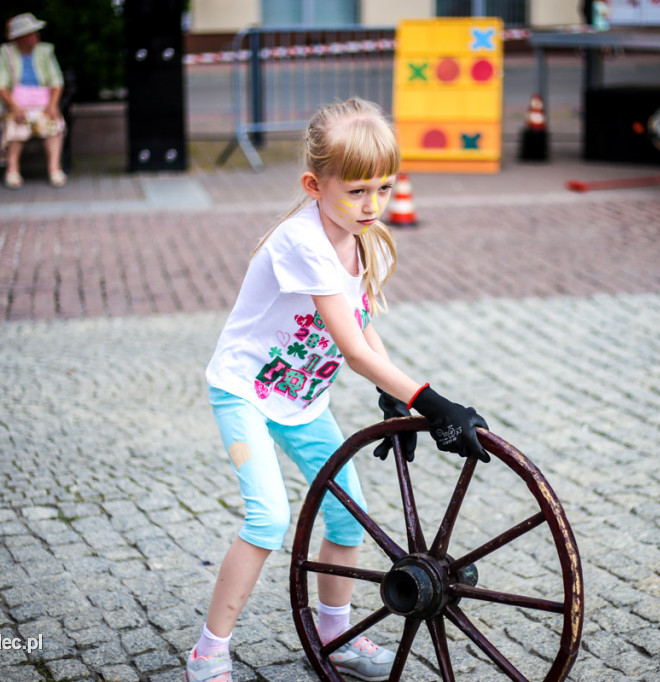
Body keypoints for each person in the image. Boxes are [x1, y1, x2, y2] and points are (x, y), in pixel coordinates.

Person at [189, 97, 490, 682]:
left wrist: (397, 395)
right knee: (267, 519)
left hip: (302, 401)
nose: (372, 204)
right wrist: (432, 403)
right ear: (313, 184)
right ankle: (208, 650)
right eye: (356, 191)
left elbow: (362, 326)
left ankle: (335, 635)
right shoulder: (302, 241)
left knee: (349, 514)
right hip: (245, 393)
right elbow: (352, 352)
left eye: (383, 187)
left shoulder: (360, 235)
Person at [0, 12, 66, 189]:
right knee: (16, 125)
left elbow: (57, 81)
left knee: (54, 124)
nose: (36, 35)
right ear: (20, 37)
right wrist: (14, 108)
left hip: (42, 104)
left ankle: (54, 169)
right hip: (15, 104)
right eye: (32, 32)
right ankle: (12, 170)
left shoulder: (45, 51)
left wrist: (53, 106)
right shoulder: (5, 52)